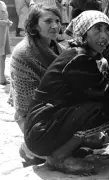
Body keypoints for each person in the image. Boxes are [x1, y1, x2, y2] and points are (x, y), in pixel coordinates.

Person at [24, 10, 109, 174]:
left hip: (45, 127)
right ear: (83, 33)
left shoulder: (85, 56)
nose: (104, 36)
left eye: (107, 30)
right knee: (104, 109)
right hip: (41, 130)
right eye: (97, 29)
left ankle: (69, 147)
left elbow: (102, 87)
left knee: (102, 105)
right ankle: (59, 157)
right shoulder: (79, 58)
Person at [9, 4, 63, 166]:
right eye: (48, 21)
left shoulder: (57, 48)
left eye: (58, 21)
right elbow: (27, 104)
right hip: (32, 116)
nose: (55, 26)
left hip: (52, 108)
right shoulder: (24, 53)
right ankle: (31, 148)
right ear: (34, 26)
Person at [0, 1, 12, 85]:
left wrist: (8, 21)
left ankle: (2, 77)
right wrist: (2, 22)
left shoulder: (2, 3)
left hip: (4, 31)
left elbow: (5, 17)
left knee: (3, 55)